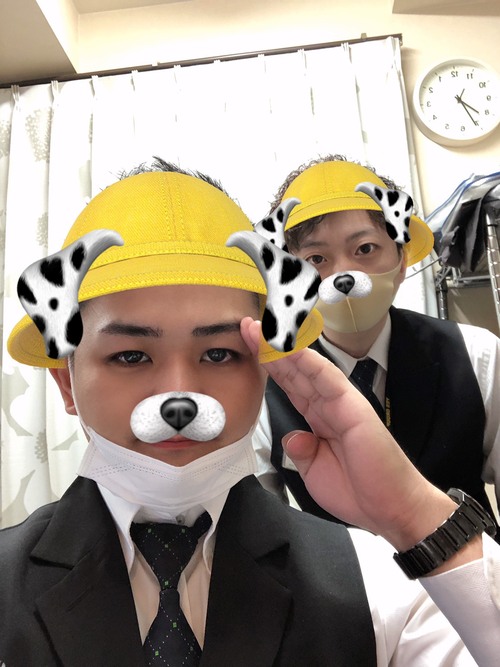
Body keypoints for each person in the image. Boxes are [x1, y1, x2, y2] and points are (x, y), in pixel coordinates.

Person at [1, 159, 500, 667]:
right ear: (66, 381)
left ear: (264, 368)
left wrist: (413, 515)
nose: (180, 395)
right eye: (130, 356)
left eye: (219, 354)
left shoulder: (380, 586)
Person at [255, 154, 500, 529]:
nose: (342, 274)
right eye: (316, 258)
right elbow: (264, 527)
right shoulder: (264, 385)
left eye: (365, 249)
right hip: (342, 568)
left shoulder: (477, 355)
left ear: (401, 260)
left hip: (471, 561)